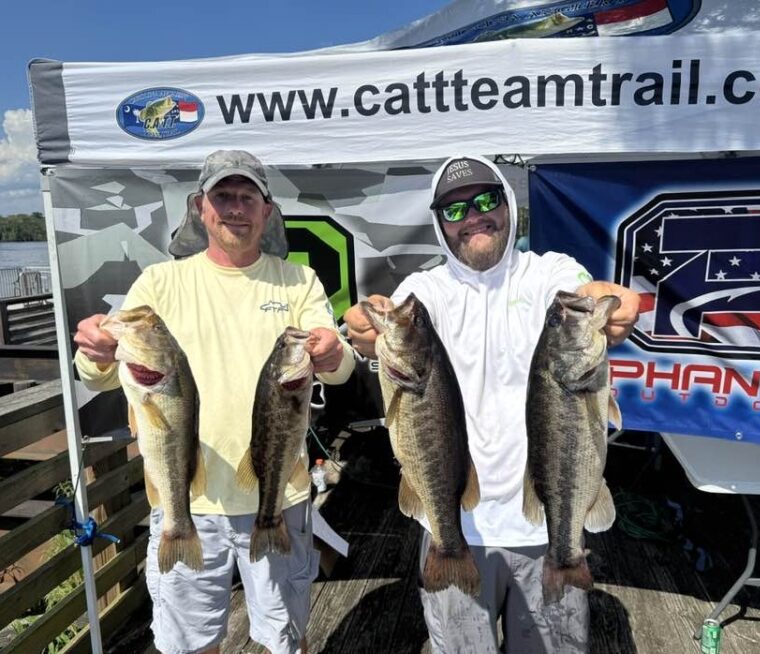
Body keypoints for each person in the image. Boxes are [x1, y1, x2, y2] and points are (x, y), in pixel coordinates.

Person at [343, 155, 640, 654]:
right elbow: (378, 319)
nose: (474, 216)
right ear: (439, 222)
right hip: (454, 525)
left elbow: (581, 292)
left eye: (486, 200)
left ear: (508, 204)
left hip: (547, 525)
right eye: (455, 209)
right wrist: (364, 324)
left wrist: (603, 297)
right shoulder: (425, 290)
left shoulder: (548, 273)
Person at [74, 150, 355, 654]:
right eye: (223, 196)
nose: (235, 208)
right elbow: (95, 376)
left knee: (286, 638)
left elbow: (337, 367)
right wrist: (96, 353)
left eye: (248, 197)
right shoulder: (160, 284)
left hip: (279, 497)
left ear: (267, 212)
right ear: (200, 207)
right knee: (189, 644)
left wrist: (333, 355)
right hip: (185, 500)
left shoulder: (298, 281)